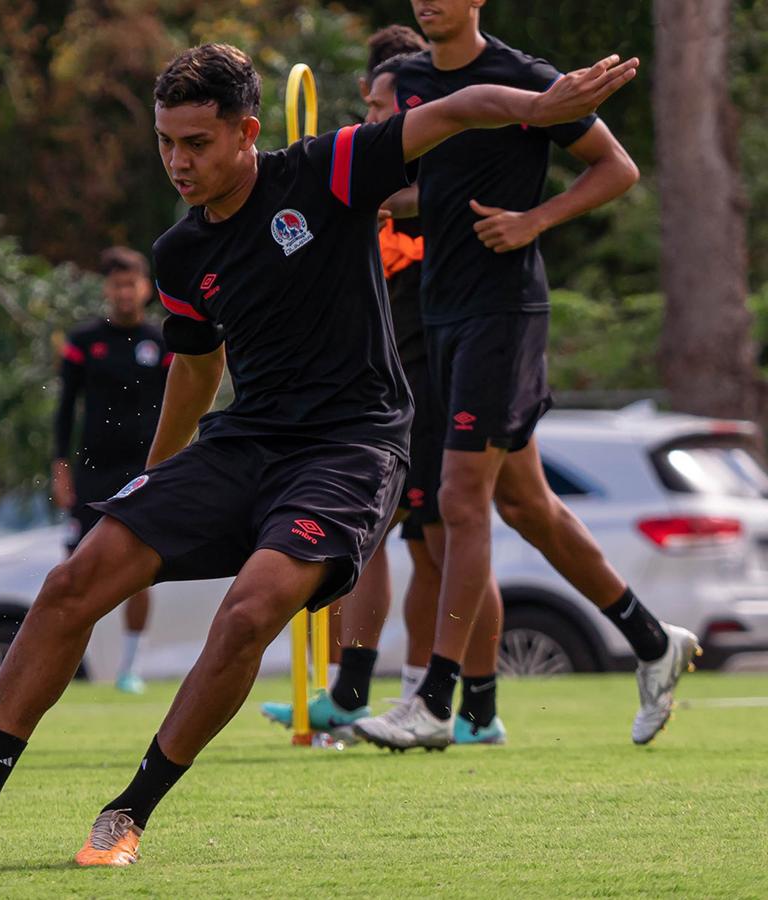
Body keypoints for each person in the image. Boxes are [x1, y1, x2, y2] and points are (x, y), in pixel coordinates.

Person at [0, 41, 637, 866]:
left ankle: (126, 814)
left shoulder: (329, 172)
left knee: (252, 610)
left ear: (248, 131)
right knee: (74, 581)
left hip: (352, 448)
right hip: (248, 438)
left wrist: (540, 109)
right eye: (164, 142)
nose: (177, 162)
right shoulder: (181, 253)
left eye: (197, 142)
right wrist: (153, 474)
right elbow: (196, 364)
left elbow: (457, 110)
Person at [352, 0, 697, 753]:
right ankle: (652, 640)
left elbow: (618, 168)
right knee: (530, 507)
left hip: (504, 311)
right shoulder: (408, 78)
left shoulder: (525, 78)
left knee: (458, 501)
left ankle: (438, 703)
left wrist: (534, 221)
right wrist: (380, 199)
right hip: (439, 315)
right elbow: (429, 185)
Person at [260, 26, 507, 745]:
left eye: (380, 105)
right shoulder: (377, 172)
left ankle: (468, 706)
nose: (372, 120)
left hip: (442, 362)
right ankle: (369, 690)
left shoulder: (435, 173)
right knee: (401, 537)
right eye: (369, 106)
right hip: (402, 365)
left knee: (453, 533)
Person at [52, 246, 170, 694]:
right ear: (107, 290)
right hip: (93, 471)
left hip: (142, 469)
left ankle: (129, 668)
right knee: (74, 571)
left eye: (131, 283)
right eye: (116, 284)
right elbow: (64, 408)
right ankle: (62, 663)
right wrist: (61, 466)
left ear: (145, 288)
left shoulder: (161, 342)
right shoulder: (84, 341)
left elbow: (181, 402)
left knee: (138, 568)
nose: (124, 292)